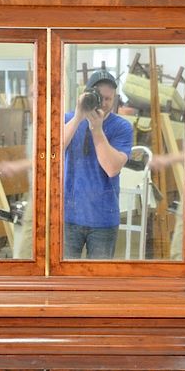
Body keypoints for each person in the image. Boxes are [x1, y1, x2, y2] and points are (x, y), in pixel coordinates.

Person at [64, 69, 133, 259]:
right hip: (68, 216)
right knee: (64, 281)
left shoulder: (122, 127)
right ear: (86, 95)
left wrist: (97, 130)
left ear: (115, 99)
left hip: (103, 217)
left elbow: (112, 168)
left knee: (98, 281)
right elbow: (52, 149)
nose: (103, 103)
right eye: (98, 97)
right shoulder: (68, 120)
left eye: (108, 99)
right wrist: (79, 116)